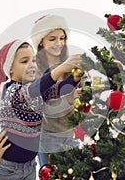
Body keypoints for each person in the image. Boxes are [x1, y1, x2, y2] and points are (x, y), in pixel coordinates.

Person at [0, 39, 83, 180]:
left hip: (29, 165)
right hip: (8, 168)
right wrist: (61, 68)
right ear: (10, 68)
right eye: (24, 61)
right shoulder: (11, 90)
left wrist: (78, 73)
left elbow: (62, 88)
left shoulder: (34, 89)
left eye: (34, 60)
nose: (31, 65)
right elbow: (34, 89)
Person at [31, 14, 83, 167]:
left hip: (72, 135)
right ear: (41, 42)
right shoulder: (35, 69)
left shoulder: (72, 62)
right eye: (52, 39)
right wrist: (70, 98)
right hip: (48, 138)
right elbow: (45, 107)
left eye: (62, 38)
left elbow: (85, 88)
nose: (59, 43)